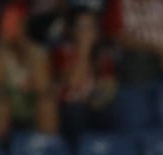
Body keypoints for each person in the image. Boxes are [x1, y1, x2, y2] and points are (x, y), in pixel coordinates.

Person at [0, 1, 59, 139]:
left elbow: (43, 87)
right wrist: (2, 50)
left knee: (47, 104)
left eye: (17, 23)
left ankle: (46, 149)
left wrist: (28, 54)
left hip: (25, 99)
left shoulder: (36, 51)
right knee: (0, 104)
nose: (13, 28)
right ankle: (0, 152)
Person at [50, 6, 118, 140]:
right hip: (67, 108)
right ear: (71, 30)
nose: (85, 32)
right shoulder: (62, 52)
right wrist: (84, 51)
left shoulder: (103, 57)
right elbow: (73, 83)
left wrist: (98, 99)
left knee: (112, 110)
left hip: (92, 106)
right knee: (76, 111)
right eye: (80, 27)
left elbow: (108, 87)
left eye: (89, 27)